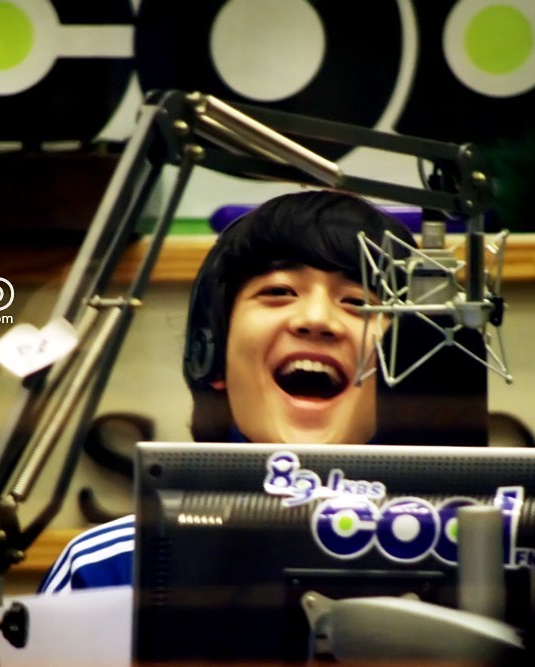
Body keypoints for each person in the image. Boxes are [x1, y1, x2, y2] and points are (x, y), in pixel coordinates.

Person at [38, 189, 419, 594]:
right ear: (213, 352)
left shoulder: (464, 557)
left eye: (358, 302)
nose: (316, 319)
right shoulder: (107, 570)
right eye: (279, 292)